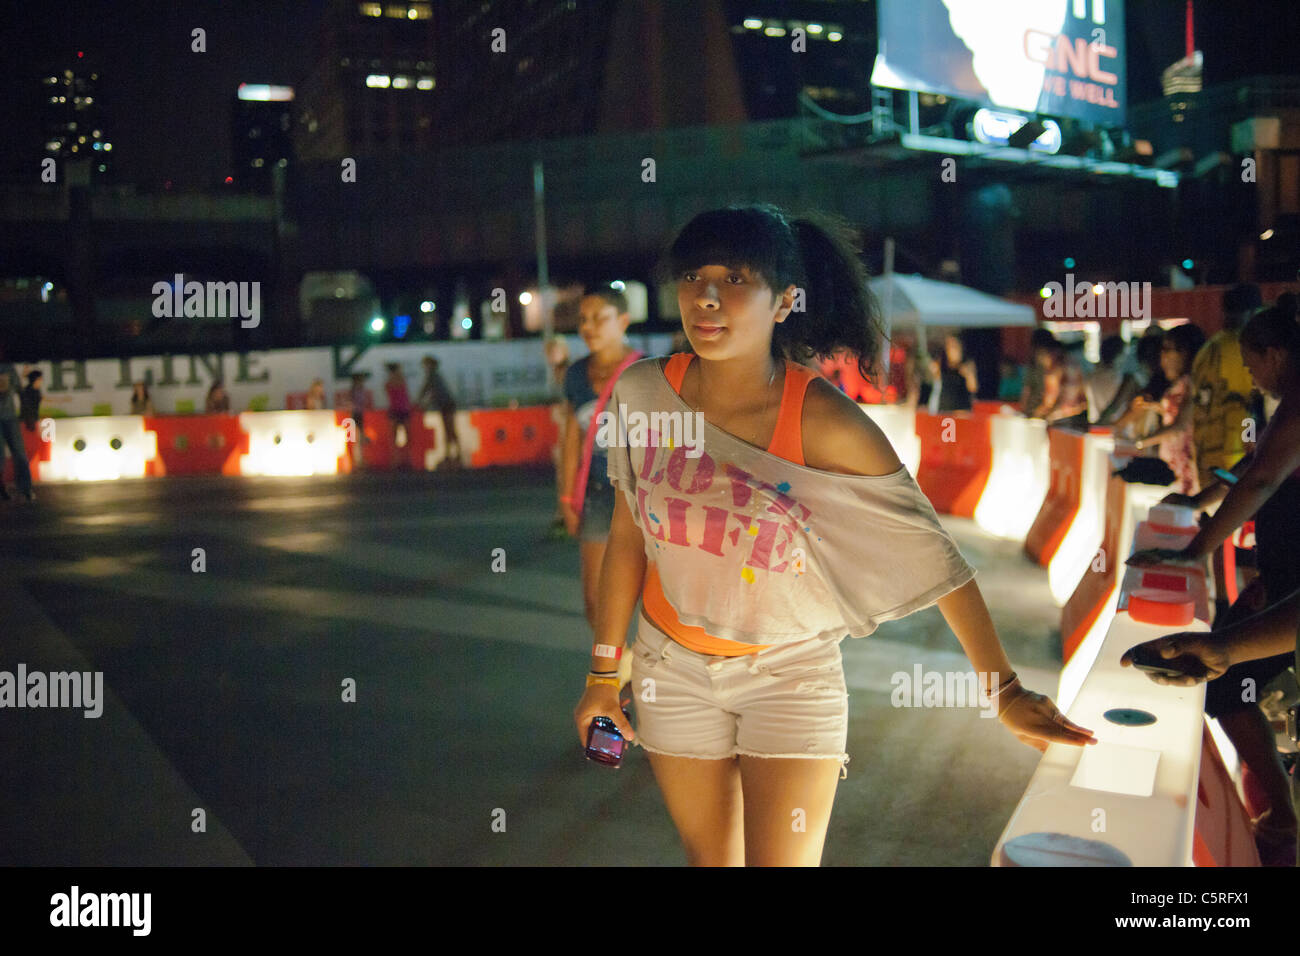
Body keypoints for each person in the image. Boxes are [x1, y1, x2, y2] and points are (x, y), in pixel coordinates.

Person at [572, 204, 1094, 867]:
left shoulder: (826, 422)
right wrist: (602, 673)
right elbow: (627, 539)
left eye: (735, 279)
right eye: (693, 277)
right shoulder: (643, 394)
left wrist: (1007, 692)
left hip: (789, 677)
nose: (706, 297)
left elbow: (935, 560)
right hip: (668, 672)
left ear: (786, 299)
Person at [1129, 303, 1300, 865]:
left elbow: (1259, 478)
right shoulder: (1280, 409)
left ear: (1275, 354)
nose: (1252, 378)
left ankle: (1282, 816)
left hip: (1287, 582)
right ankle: (1280, 808)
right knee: (1230, 674)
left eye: (1253, 366)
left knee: (1229, 684)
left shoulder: (1294, 404)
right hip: (1280, 578)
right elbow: (1249, 474)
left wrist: (1197, 550)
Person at [560, 286, 641, 668]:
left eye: (600, 317)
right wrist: (566, 499)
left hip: (642, 495)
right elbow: (572, 437)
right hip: (596, 494)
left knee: (652, 597)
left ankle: (654, 679)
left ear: (623, 321)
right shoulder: (576, 375)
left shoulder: (647, 370)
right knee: (595, 601)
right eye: (583, 319)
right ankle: (622, 668)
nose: (589, 326)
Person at [1111, 323, 1206, 496]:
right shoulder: (1182, 384)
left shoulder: (1192, 383)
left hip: (1185, 464)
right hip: (1174, 464)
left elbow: (1181, 425)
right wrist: (1156, 407)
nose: (1163, 356)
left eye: (1168, 349)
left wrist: (1139, 443)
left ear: (1186, 353)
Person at [1192, 283, 1262, 492]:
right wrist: (1250, 441)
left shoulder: (1209, 348)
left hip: (1205, 453)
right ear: (1252, 312)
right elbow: (1248, 406)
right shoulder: (1241, 347)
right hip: (1233, 455)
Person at [1030, 337, 1088, 427]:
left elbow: (1049, 402)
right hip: (1078, 417)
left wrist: (1035, 416)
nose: (1041, 361)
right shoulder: (1074, 365)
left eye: (1042, 356)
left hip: (1061, 419)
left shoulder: (1053, 373)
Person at [0, 349, 34, 502]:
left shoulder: (8, 367)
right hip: (9, 417)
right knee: (11, 454)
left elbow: (20, 391)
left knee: (19, 453)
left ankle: (25, 488)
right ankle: (23, 489)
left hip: (10, 417)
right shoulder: (9, 368)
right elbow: (19, 391)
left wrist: (26, 414)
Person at [417, 356, 462, 466]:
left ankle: (453, 454)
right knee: (449, 429)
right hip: (446, 405)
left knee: (449, 429)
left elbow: (427, 391)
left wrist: (420, 403)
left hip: (446, 405)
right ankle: (453, 453)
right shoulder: (436, 375)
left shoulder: (432, 376)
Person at [1087, 334, 1135, 424]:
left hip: (1096, 427)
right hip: (1117, 429)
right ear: (1118, 355)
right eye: (1124, 354)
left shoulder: (1090, 377)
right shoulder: (1122, 379)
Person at [928, 331, 977, 412]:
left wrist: (968, 375)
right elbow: (936, 383)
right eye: (948, 346)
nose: (950, 349)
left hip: (961, 410)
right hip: (944, 409)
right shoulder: (941, 363)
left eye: (954, 346)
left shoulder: (967, 363)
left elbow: (973, 388)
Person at [384, 363, 414, 469]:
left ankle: (402, 459)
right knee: (398, 436)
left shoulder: (390, 382)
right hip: (399, 410)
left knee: (400, 436)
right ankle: (401, 459)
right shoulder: (399, 381)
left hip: (399, 410)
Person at [348, 373, 368, 467]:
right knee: (357, 438)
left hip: (359, 414)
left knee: (360, 438)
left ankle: (360, 459)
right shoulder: (354, 391)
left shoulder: (358, 390)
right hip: (356, 414)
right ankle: (357, 460)